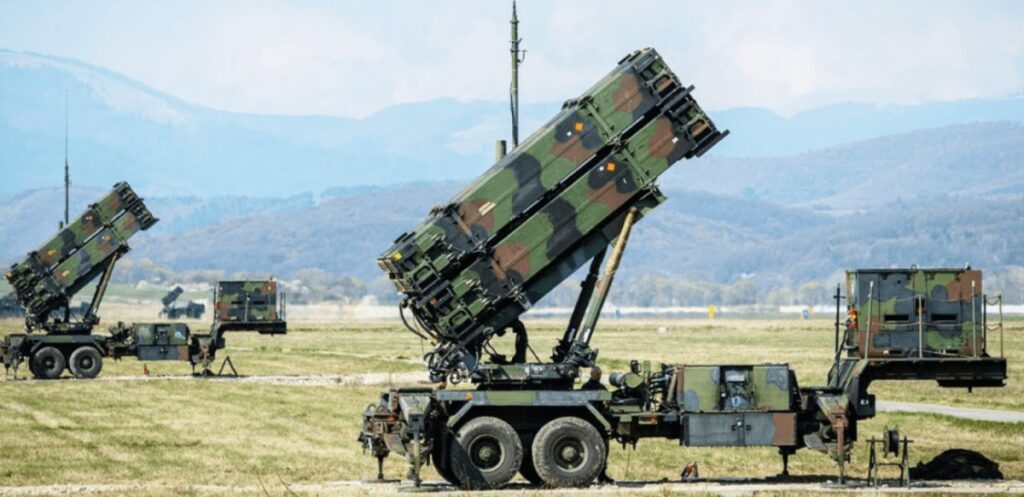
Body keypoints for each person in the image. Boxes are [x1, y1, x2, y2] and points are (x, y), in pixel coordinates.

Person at [580, 366, 614, 484]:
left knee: (604, 448)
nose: (599, 376)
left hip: (599, 421)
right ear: (592, 374)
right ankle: (598, 475)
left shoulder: (599, 387)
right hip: (593, 421)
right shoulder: (587, 387)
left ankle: (602, 475)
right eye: (597, 374)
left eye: (600, 374)